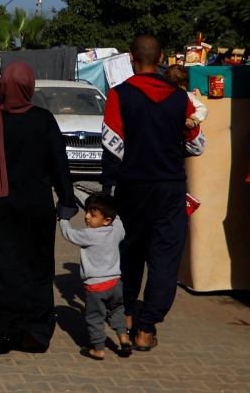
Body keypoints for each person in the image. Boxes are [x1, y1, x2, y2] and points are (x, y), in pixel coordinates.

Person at [0, 62, 77, 354]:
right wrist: (67, 203)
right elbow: (60, 165)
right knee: (35, 270)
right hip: (35, 210)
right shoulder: (43, 120)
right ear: (29, 86)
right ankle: (31, 333)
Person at [101, 35, 205, 352]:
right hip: (171, 188)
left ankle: (128, 315)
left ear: (132, 59)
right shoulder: (180, 98)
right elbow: (197, 146)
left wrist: (107, 192)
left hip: (132, 187)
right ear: (161, 59)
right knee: (164, 259)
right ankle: (146, 330)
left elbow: (111, 147)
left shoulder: (119, 95)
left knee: (130, 252)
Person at [59, 192, 132, 360]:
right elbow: (118, 220)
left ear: (106, 220)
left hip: (95, 287)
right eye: (87, 212)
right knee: (117, 310)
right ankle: (123, 336)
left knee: (94, 318)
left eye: (93, 215)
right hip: (115, 283)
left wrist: (63, 220)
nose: (87, 217)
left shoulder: (89, 235)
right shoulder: (116, 231)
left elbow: (69, 234)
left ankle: (98, 349)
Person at [164, 64, 208, 129]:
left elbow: (203, 109)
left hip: (193, 135)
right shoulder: (166, 96)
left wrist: (193, 120)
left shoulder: (189, 96)